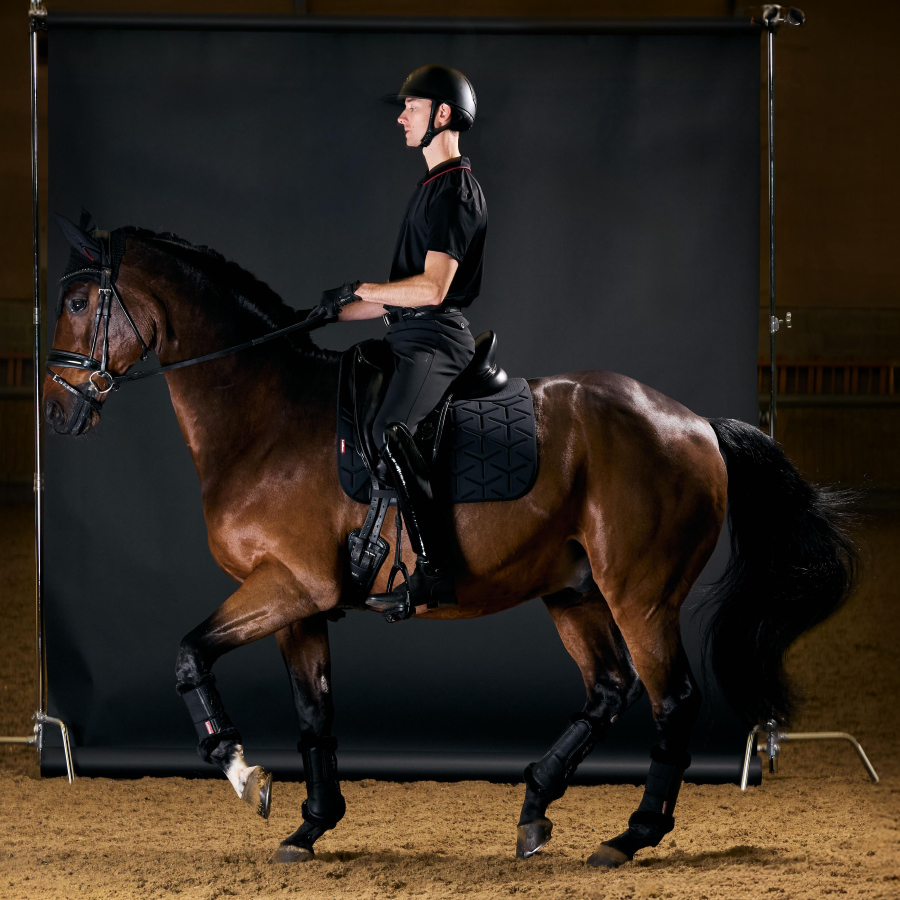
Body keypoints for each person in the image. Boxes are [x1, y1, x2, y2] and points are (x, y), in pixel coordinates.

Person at [316, 64, 487, 619]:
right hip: (411, 331)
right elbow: (394, 299)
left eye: (411, 108)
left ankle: (435, 572)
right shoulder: (430, 188)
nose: (400, 117)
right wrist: (324, 313)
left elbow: (433, 289)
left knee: (392, 430)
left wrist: (360, 286)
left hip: (437, 339)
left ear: (443, 114)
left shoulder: (456, 191)